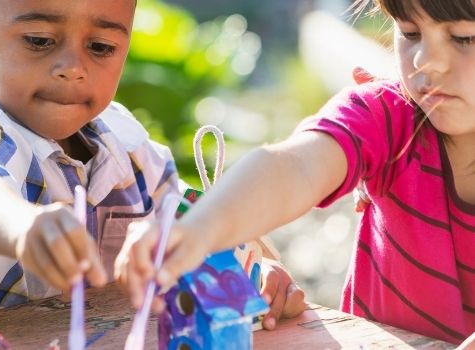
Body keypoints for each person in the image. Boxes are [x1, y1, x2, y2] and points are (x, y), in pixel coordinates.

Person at [0, 0, 302, 326]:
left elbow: (185, 220)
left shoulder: (121, 140)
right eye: (39, 40)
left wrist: (244, 273)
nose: (73, 68)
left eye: (101, 47)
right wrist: (21, 225)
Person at [117, 0, 475, 344]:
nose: (426, 62)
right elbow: (295, 166)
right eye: (410, 32)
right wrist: (199, 229)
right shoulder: (387, 116)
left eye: (464, 38)